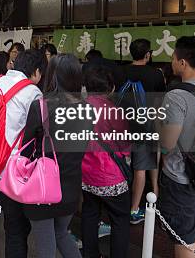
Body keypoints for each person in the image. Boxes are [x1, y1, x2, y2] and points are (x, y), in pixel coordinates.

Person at [0, 49, 46, 258]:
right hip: (12, 172)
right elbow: (41, 131)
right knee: (16, 228)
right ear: (36, 71)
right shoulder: (33, 93)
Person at [20, 54, 88, 258]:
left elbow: (26, 147)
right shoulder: (87, 109)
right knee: (61, 233)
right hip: (71, 186)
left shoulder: (40, 107)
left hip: (42, 185)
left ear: (51, 76)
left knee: (45, 244)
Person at [158, 36, 195, 258]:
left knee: (184, 235)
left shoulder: (176, 96)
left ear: (183, 62)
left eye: (174, 57)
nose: (172, 62)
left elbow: (169, 142)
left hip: (182, 176)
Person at [81, 65, 131, 258]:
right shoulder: (114, 111)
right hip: (111, 177)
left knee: (90, 214)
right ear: (111, 88)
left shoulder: (78, 108)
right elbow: (125, 146)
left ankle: (90, 254)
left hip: (86, 174)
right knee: (120, 219)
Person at [118, 38, 165, 224]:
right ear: (148, 54)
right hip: (146, 127)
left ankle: (120, 201)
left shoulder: (120, 71)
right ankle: (134, 209)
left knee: (122, 166)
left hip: (120, 126)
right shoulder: (156, 74)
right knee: (140, 168)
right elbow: (160, 102)